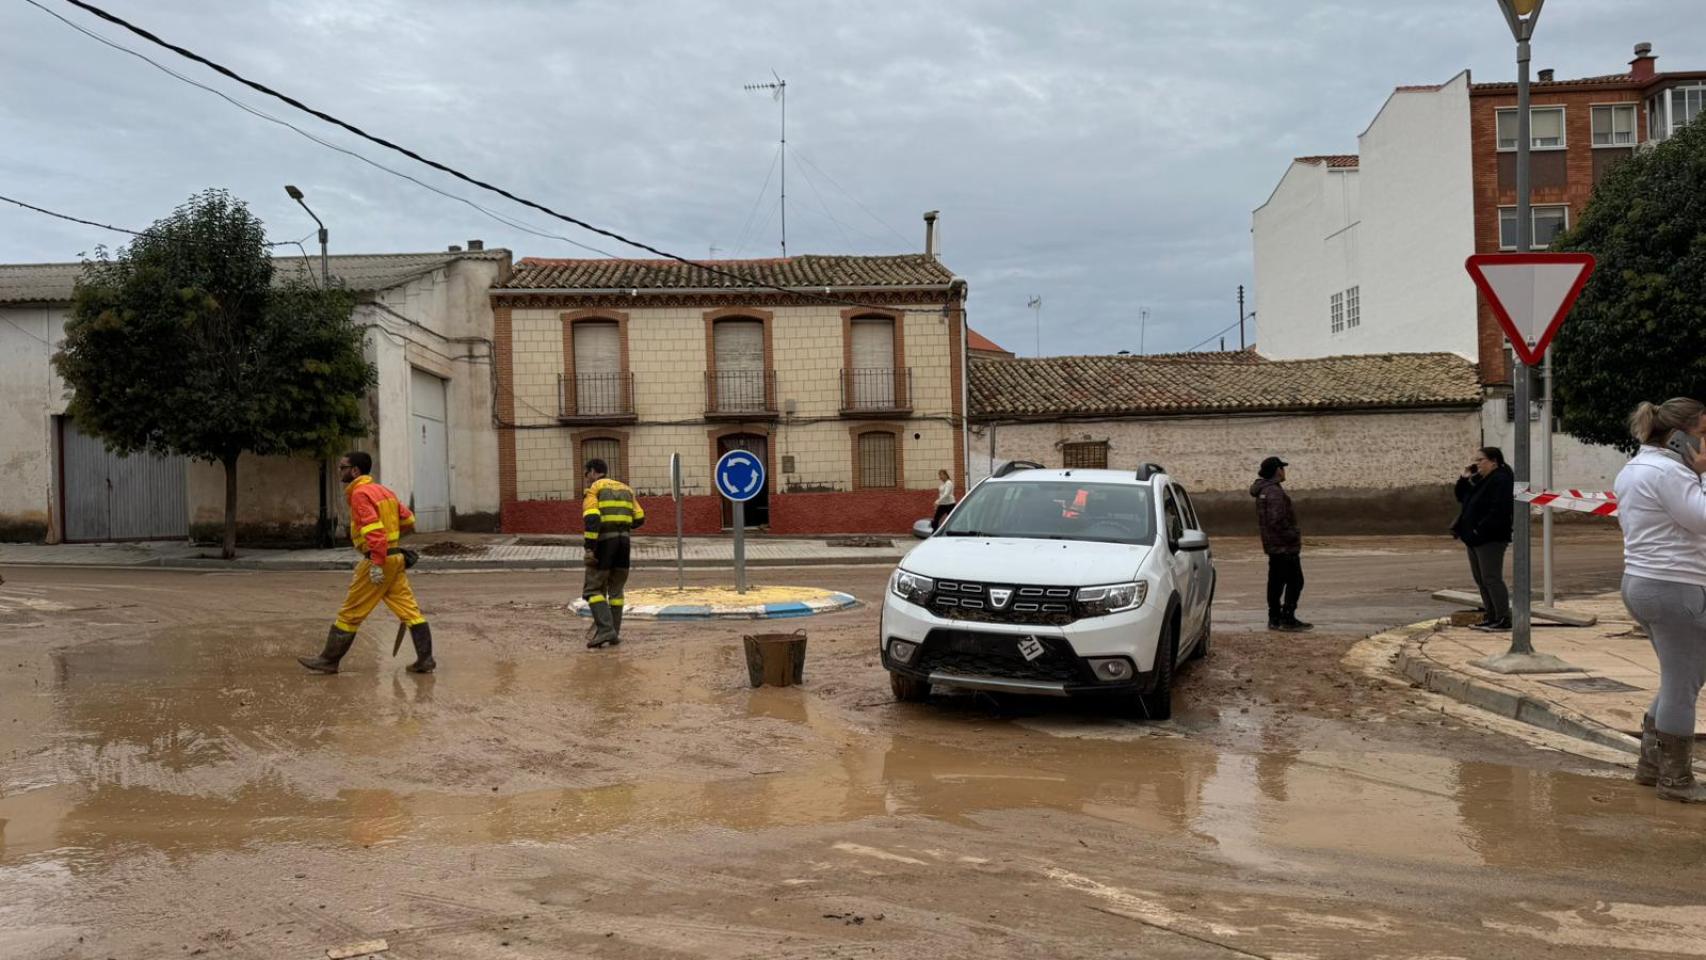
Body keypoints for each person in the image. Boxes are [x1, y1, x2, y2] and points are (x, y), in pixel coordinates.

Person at [1613, 397, 1706, 803]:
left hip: (1644, 582)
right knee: (1682, 683)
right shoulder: (1670, 473)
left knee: (1680, 677)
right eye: (1704, 433)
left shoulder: (1637, 467)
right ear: (1679, 437)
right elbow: (1701, 519)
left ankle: (1652, 766)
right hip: (1673, 587)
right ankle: (1676, 780)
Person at [298, 451, 434, 674]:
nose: (339, 471)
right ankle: (426, 660)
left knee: (351, 612)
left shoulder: (360, 494)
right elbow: (409, 519)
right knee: (410, 611)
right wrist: (393, 544)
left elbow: (374, 531)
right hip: (395, 558)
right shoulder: (383, 491)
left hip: (377, 560)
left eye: (342, 467)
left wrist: (378, 562)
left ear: (355, 471)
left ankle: (329, 660)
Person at [582, 458, 645, 649]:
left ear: (593, 472)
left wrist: (589, 547)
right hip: (624, 544)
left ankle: (605, 630)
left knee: (592, 589)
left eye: (586, 474)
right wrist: (623, 523)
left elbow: (592, 518)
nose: (586, 479)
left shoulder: (595, 489)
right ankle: (614, 633)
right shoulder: (626, 489)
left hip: (604, 544)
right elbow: (640, 518)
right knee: (616, 591)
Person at [1452, 447, 1515, 631]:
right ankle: (1491, 615)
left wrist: (1480, 529)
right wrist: (1464, 478)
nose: (1476, 464)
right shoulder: (1482, 480)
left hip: (1490, 538)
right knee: (1480, 578)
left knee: (1491, 577)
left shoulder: (1501, 479)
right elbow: (1462, 497)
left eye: (1480, 460)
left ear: (1493, 461)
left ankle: (1503, 617)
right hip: (1473, 538)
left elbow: (1499, 509)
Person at [1251, 455, 1311, 632]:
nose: (1285, 471)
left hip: (1273, 546)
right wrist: (1293, 534)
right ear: (1277, 470)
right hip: (1284, 546)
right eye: (1282, 468)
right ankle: (1287, 617)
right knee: (1296, 581)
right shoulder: (1274, 492)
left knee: (1276, 582)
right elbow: (1277, 520)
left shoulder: (1263, 490)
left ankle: (1274, 617)